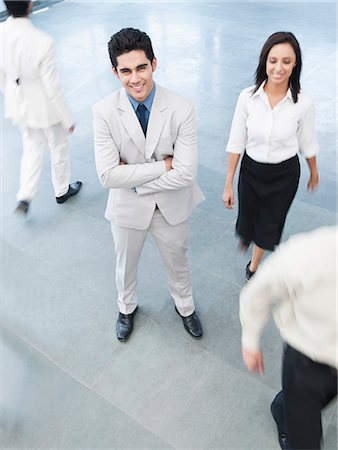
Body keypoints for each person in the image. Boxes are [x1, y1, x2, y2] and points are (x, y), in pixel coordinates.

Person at [93, 28, 204, 342]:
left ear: (154, 63)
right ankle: (126, 307)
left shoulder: (182, 108)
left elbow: (186, 174)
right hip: (127, 209)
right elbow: (107, 176)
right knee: (124, 263)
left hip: (170, 204)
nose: (135, 79)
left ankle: (185, 306)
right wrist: (162, 165)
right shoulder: (103, 112)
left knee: (178, 259)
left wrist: (135, 179)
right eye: (125, 71)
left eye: (141, 67)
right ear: (115, 72)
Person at [223, 32, 319, 282]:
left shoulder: (304, 102)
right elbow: (236, 142)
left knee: (268, 227)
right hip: (251, 171)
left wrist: (314, 171)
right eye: (273, 60)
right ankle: (246, 235)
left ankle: (253, 266)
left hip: (283, 175)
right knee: (246, 221)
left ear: (295, 63)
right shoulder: (247, 98)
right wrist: (228, 183)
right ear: (264, 61)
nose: (279, 68)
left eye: (286, 61)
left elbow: (307, 141)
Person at [239, 226, 337, 450]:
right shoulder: (313, 251)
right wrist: (250, 340)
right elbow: (258, 291)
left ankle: (284, 406)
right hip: (307, 362)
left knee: (310, 402)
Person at [0, 0, 82, 215]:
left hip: (19, 103)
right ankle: (62, 190)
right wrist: (67, 119)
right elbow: (52, 88)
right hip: (45, 107)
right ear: (29, 5)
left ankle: (25, 195)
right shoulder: (42, 41)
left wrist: (11, 96)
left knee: (32, 147)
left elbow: (2, 75)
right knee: (59, 146)